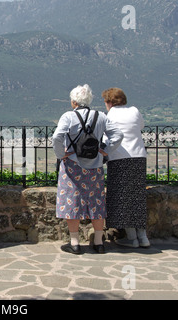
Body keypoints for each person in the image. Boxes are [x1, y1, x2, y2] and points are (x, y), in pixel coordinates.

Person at [52, 84, 123, 254]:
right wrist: (105, 150)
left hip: (73, 165)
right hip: (95, 166)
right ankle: (99, 242)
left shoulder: (68, 116)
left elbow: (57, 137)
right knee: (97, 202)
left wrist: (61, 154)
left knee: (72, 201)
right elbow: (118, 135)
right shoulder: (101, 116)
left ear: (74, 101)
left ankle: (75, 243)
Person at [102, 88, 149, 248]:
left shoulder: (111, 115)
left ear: (109, 102)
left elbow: (107, 137)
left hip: (119, 158)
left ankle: (132, 238)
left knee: (122, 198)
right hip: (138, 157)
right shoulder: (135, 111)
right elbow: (141, 126)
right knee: (137, 197)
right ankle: (143, 237)